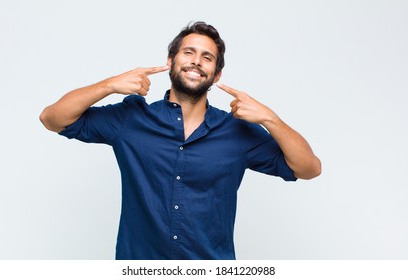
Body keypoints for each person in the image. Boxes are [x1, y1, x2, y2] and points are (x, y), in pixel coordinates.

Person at [40, 21, 321, 260]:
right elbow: (52, 119)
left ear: (217, 74)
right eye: (189, 52)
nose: (196, 61)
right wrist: (109, 85)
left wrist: (270, 119)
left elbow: (308, 168)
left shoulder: (237, 131)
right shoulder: (131, 119)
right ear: (171, 61)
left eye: (207, 57)